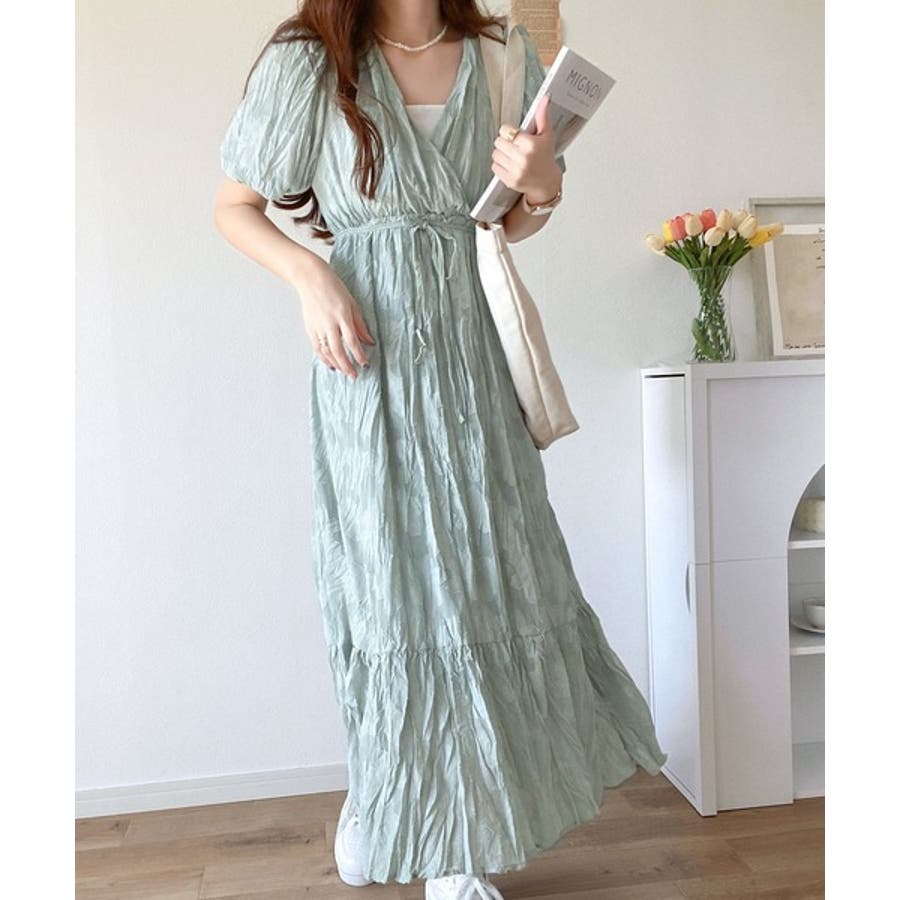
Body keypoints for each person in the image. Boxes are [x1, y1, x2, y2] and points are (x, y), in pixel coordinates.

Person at [213, 2, 667, 898]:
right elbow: (235, 207)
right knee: (390, 592)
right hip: (368, 360)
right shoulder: (313, 58)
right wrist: (310, 275)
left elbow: (511, 219)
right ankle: (385, 793)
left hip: (472, 358)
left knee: (488, 580)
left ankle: (460, 847)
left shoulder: (501, 53)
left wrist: (544, 183)